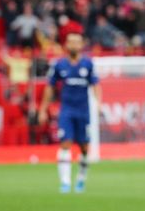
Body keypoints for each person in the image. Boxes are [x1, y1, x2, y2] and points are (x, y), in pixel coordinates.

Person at [39, 33, 101, 193]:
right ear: (66, 45)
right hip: (66, 110)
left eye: (77, 42)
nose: (74, 45)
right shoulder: (59, 65)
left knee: (84, 147)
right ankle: (65, 182)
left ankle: (81, 178)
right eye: (71, 42)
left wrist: (99, 104)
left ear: (81, 45)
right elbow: (50, 87)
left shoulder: (88, 64)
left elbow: (96, 85)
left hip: (83, 111)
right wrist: (43, 109)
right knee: (65, 143)